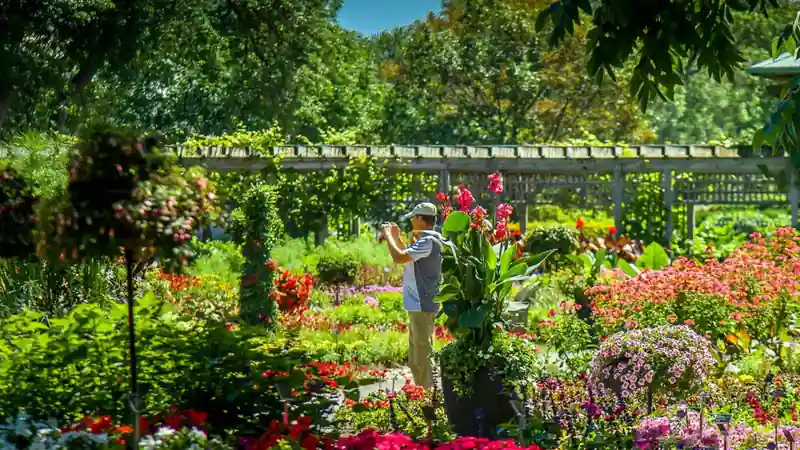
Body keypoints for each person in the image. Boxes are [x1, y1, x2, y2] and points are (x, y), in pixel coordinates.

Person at [381, 202, 443, 389]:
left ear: (420, 219)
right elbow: (407, 256)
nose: (411, 222)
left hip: (422, 304)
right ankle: (422, 391)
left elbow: (399, 257)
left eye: (414, 218)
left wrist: (389, 237)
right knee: (416, 355)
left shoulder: (429, 241)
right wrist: (397, 239)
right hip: (418, 304)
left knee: (422, 353)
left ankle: (428, 396)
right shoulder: (426, 240)